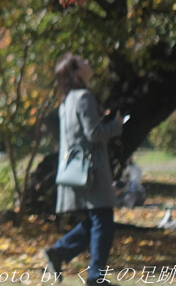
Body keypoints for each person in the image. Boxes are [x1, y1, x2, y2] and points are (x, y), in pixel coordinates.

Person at [43, 54, 123, 285]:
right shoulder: (85, 96)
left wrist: (102, 120)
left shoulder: (67, 100)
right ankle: (95, 276)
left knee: (96, 221)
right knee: (103, 219)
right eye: (83, 61)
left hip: (76, 169)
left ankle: (59, 252)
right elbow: (93, 134)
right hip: (93, 170)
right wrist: (116, 125)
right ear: (76, 71)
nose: (89, 61)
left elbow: (80, 132)